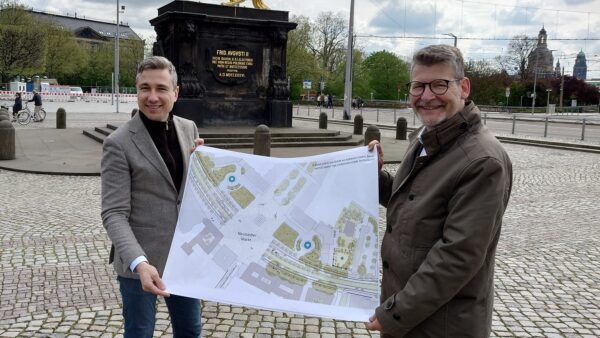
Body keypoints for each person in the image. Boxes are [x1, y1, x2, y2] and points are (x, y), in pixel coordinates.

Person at [366, 44, 513, 337]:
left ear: (464, 87)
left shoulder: (483, 161)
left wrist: (396, 313)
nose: (427, 96)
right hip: (411, 313)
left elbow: (457, 257)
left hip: (442, 324)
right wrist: (373, 177)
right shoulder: (426, 138)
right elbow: (411, 199)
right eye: (418, 86)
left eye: (439, 84)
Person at [101, 56, 204, 337]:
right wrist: (140, 262)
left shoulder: (189, 128)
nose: (153, 97)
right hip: (140, 262)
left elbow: (188, 195)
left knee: (190, 331)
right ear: (136, 91)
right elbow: (113, 213)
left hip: (184, 256)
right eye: (145, 88)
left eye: (161, 88)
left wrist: (206, 168)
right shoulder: (118, 143)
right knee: (140, 332)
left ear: (176, 92)